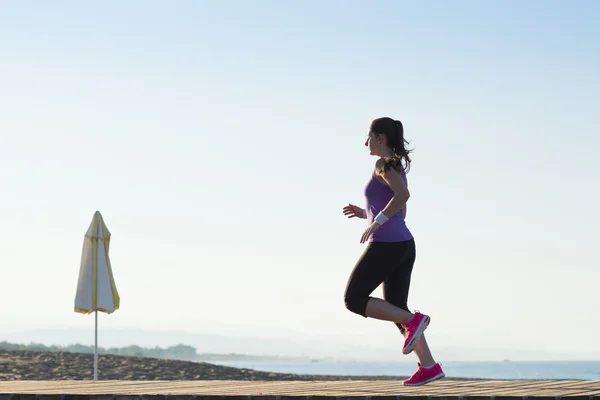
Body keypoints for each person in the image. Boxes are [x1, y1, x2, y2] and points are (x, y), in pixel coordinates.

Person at [342, 117, 445, 386]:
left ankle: (415, 320)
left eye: (369, 137)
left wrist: (376, 222)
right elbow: (400, 208)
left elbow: (403, 198)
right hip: (403, 245)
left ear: (380, 138)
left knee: (354, 299)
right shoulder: (396, 166)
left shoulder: (382, 165)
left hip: (387, 245)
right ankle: (430, 366)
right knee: (394, 308)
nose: (366, 142)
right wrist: (365, 214)